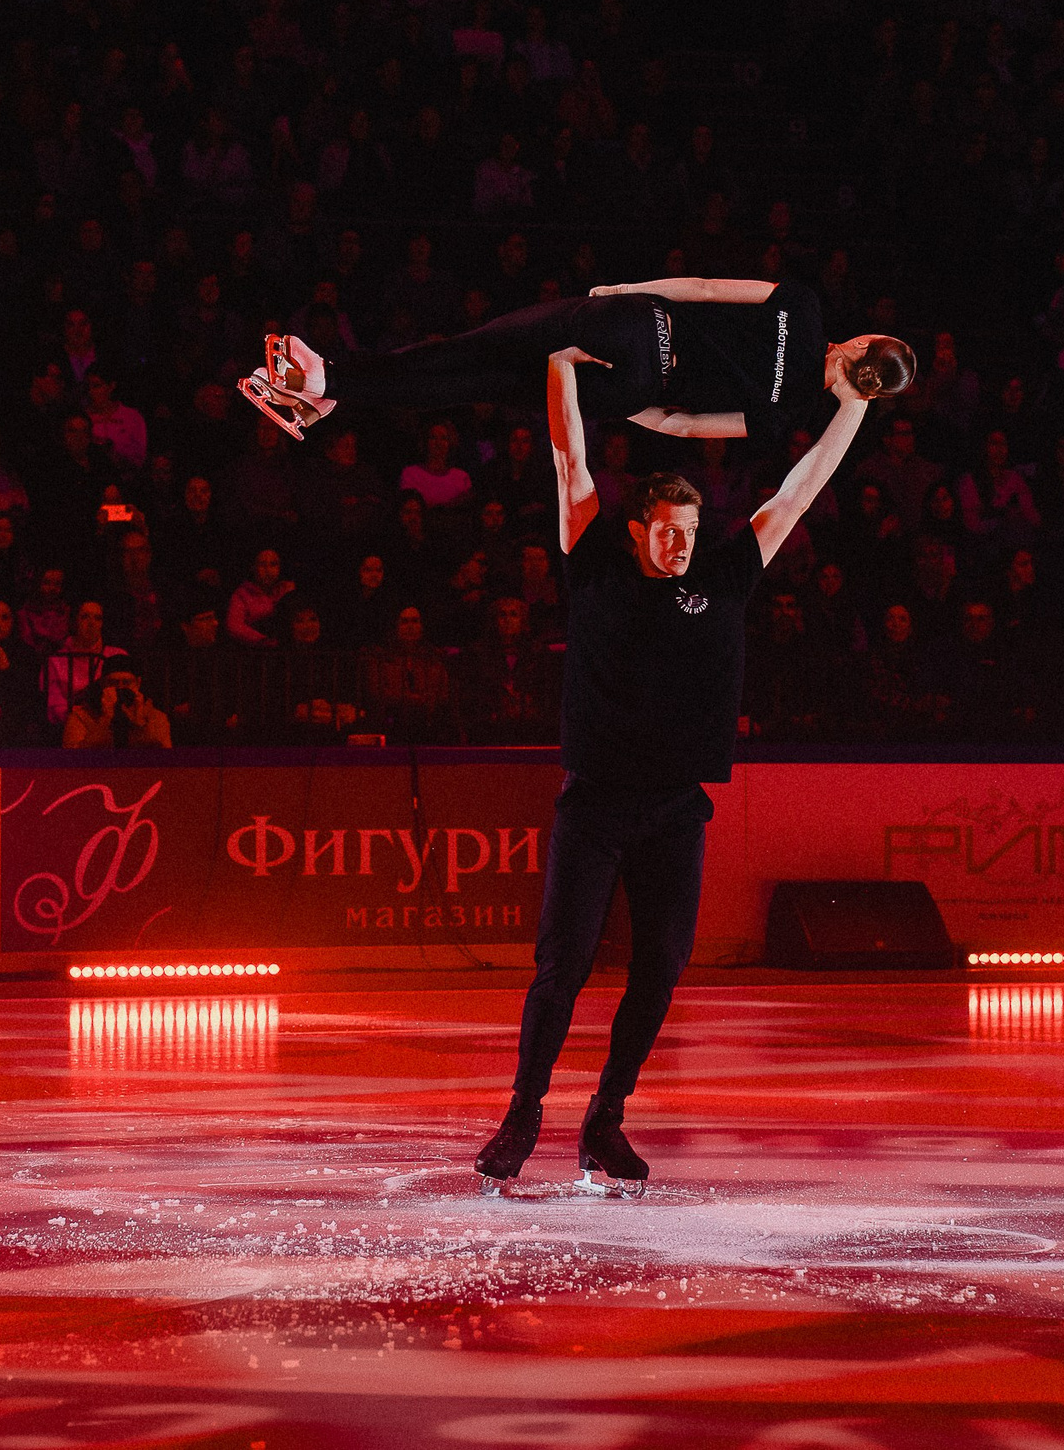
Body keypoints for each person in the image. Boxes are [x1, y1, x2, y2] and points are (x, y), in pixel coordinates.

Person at [474, 337, 874, 1193]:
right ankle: (523, 1111)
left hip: (676, 808)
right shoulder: (596, 567)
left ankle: (605, 1119)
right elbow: (567, 456)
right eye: (665, 532)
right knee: (564, 967)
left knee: (661, 969)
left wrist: (858, 403)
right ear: (637, 530)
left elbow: (800, 490)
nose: (680, 545)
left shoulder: (727, 574)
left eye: (689, 531)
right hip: (596, 803)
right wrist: (560, 368)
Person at [241, 278, 911, 444]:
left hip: (642, 324)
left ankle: (328, 379)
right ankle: (332, 389)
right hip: (646, 384)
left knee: (474, 348)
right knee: (482, 382)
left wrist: (623, 294)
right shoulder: (790, 412)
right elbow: (681, 427)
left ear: (860, 343)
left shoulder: (805, 305)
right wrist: (625, 401)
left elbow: (706, 288)